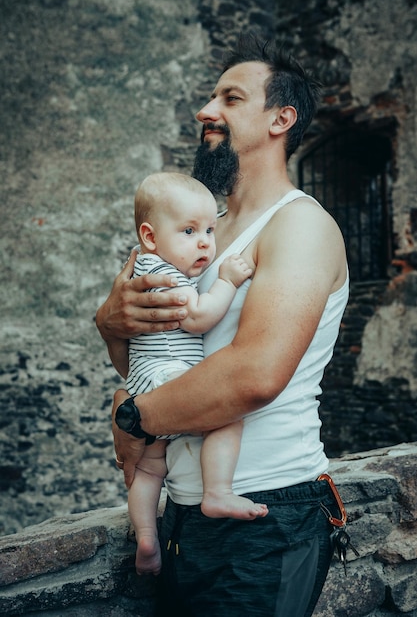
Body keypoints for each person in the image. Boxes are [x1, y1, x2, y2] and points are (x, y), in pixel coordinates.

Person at [96, 31, 349, 617]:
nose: (206, 111)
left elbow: (253, 376)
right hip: (183, 511)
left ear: (281, 119)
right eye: (212, 98)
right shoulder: (200, 235)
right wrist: (111, 327)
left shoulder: (300, 227)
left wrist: (133, 419)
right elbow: (151, 361)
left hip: (268, 512)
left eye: (231, 99)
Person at [123, 171, 267, 576]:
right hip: (169, 377)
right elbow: (200, 317)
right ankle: (218, 491)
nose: (204, 241)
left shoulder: (139, 270)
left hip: (141, 386)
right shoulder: (168, 277)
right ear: (151, 237)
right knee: (228, 415)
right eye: (188, 231)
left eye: (209, 229)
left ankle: (147, 537)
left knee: (150, 468)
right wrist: (227, 280)